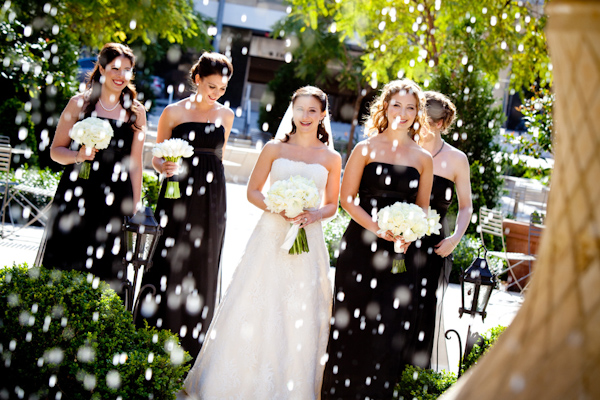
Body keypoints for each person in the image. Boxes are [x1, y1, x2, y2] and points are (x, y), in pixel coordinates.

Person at [181, 86, 342, 399]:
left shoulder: (332, 157)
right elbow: (253, 191)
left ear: (323, 115)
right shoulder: (273, 149)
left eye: (313, 111)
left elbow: (333, 205)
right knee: (256, 304)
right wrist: (277, 205)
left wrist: (312, 215)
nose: (305, 116)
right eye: (300, 109)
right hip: (269, 236)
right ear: (291, 111)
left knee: (298, 313)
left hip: (307, 243)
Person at [322, 79, 433, 400]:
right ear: (385, 106)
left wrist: (408, 234)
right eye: (397, 105)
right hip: (360, 244)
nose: (403, 113)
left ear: (417, 114)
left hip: (400, 253)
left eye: (410, 108)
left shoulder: (423, 158)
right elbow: (347, 199)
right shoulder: (365, 148)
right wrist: (376, 227)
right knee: (351, 319)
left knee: (390, 322)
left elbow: (422, 209)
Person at [137, 52, 234, 361]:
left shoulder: (226, 116)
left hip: (211, 199)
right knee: (166, 259)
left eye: (222, 88)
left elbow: (215, 159)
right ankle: (152, 335)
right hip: (176, 193)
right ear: (197, 80)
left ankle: (189, 348)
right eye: (211, 86)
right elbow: (155, 156)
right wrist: (161, 166)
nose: (216, 93)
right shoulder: (172, 112)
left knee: (201, 262)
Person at [41, 43, 146, 289]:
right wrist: (78, 156)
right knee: (67, 260)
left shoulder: (136, 113)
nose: (121, 76)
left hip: (116, 198)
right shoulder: (79, 104)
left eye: (127, 70)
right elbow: (56, 152)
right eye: (115, 68)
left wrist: (136, 205)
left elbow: (136, 164)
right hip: (78, 193)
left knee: (106, 268)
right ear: (101, 68)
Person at [403, 90, 472, 371]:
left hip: (434, 244)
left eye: (428, 122)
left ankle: (414, 373)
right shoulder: (405, 148)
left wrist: (455, 238)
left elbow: (466, 206)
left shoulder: (456, 159)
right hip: (399, 238)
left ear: (442, 123)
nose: (420, 126)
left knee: (423, 304)